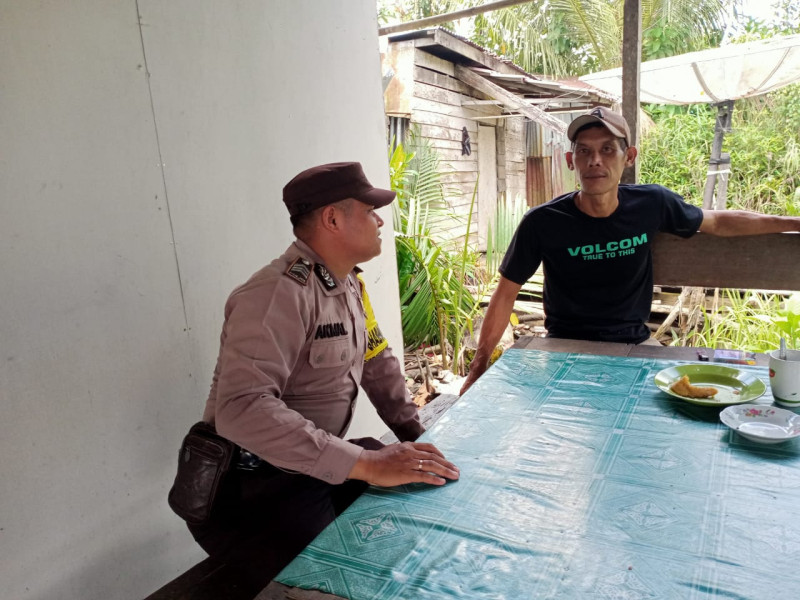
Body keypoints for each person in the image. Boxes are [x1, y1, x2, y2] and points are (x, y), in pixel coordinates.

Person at [188, 161, 460, 592]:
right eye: (369, 209)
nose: (379, 219)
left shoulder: (348, 284)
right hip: (256, 489)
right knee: (352, 581)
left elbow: (377, 362)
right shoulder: (277, 294)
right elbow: (241, 410)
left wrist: (414, 434)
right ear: (332, 219)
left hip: (311, 470)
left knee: (424, 501)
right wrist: (369, 462)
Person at [461, 107, 800, 395]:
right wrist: (477, 369)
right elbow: (505, 294)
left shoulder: (651, 204)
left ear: (629, 157)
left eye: (608, 149)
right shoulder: (543, 221)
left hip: (634, 344)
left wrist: (793, 222)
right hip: (564, 346)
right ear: (570, 160)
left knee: (674, 419)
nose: (595, 160)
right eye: (584, 151)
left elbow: (720, 222)